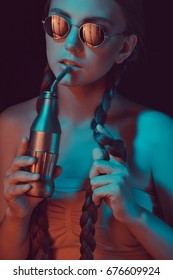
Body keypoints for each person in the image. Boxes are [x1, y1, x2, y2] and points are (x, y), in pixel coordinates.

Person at [0, 0, 173, 260]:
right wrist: (17, 216)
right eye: (59, 25)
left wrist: (135, 215)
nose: (70, 45)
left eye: (93, 32)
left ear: (124, 48)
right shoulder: (11, 126)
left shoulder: (156, 133)